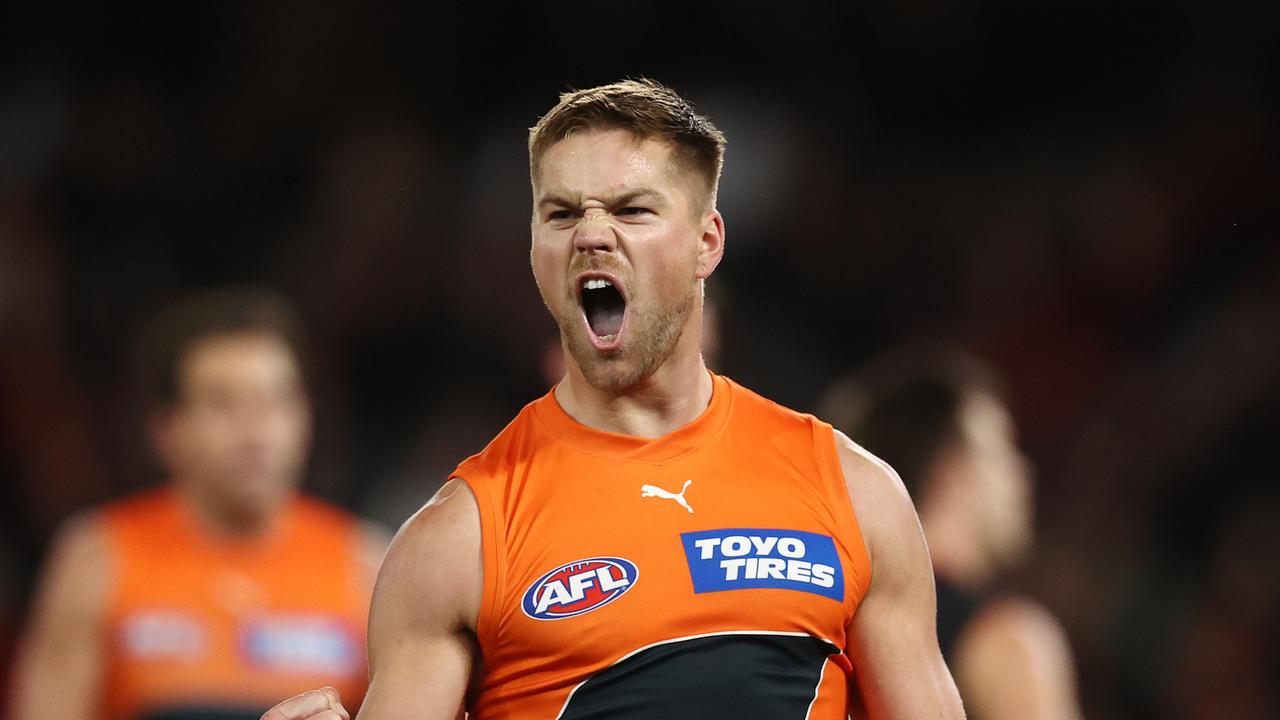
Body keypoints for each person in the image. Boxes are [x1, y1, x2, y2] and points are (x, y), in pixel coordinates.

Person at [263, 79, 964, 720]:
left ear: (706, 243)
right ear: (534, 249)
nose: (593, 235)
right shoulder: (459, 540)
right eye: (562, 214)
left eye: (632, 210)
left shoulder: (855, 492)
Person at [10, 289, 387, 720]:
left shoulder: (368, 567)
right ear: (166, 430)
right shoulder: (98, 561)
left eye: (274, 402)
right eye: (223, 404)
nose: (255, 433)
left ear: (306, 417)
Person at [823, 348, 1084, 720]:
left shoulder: (824, 606)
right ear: (952, 471)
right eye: (1003, 448)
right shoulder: (1006, 644)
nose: (1022, 474)